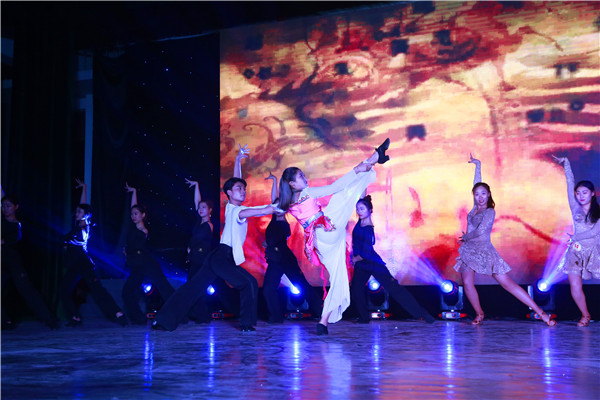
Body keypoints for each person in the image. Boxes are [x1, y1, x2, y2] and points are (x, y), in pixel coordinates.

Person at [152, 144, 278, 332]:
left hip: (218, 256)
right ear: (230, 193)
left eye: (244, 189)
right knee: (249, 283)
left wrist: (238, 160)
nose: (243, 191)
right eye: (239, 189)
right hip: (221, 257)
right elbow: (261, 209)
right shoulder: (237, 211)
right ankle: (247, 324)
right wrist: (277, 206)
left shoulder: (232, 207)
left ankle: (163, 320)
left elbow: (235, 182)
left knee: (193, 288)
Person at [278, 138, 390, 335]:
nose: (305, 178)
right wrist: (356, 170)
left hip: (319, 243)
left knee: (339, 278)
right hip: (326, 228)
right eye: (301, 176)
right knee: (342, 194)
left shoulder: (287, 203)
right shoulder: (306, 193)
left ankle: (323, 321)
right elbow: (334, 187)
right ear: (292, 183)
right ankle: (373, 159)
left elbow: (271, 206)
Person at [453, 154, 556, 326]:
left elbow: (480, 231)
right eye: (477, 194)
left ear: (488, 195)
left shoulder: (489, 212)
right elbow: (477, 184)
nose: (480, 197)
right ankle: (479, 313)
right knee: (467, 283)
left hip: (485, 251)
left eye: (483, 194)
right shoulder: (475, 208)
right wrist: (478, 165)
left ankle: (541, 313)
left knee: (507, 284)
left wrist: (465, 237)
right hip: (469, 252)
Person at [350, 194, 436, 324]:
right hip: (362, 265)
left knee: (394, 289)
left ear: (370, 211)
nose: (359, 211)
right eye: (357, 209)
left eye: (362, 209)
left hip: (372, 263)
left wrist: (355, 259)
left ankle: (424, 315)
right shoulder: (360, 221)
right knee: (356, 290)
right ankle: (364, 318)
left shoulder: (368, 228)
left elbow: (366, 252)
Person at [60, 179, 128, 327]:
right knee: (64, 290)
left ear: (86, 215)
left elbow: (85, 213)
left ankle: (118, 313)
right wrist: (84, 188)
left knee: (97, 290)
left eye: (79, 212)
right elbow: (84, 206)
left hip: (83, 263)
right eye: (76, 211)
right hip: (73, 263)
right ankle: (75, 317)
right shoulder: (78, 223)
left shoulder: (85, 226)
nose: (76, 213)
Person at [262, 171, 322, 323]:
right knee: (269, 289)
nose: (276, 207)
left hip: (284, 259)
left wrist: (268, 243)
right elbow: (274, 199)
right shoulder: (274, 218)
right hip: (276, 261)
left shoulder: (283, 223)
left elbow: (276, 240)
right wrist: (275, 180)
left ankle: (321, 312)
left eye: (279, 206)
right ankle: (276, 317)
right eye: (275, 206)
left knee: (301, 285)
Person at [1, 190, 59, 330]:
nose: (5, 208)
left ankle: (49, 319)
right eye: (3, 206)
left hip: (13, 262)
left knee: (27, 290)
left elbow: (13, 240)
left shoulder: (17, 225)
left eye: (8, 206)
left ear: (16, 207)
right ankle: (4, 322)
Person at [552, 155, 599, 327]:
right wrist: (567, 164)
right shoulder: (575, 207)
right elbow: (569, 183)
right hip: (575, 252)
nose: (580, 196)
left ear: (592, 193)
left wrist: (574, 238)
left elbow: (594, 232)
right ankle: (585, 315)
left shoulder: (598, 212)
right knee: (575, 285)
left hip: (594, 251)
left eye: (584, 192)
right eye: (578, 193)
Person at [121, 183, 175, 324]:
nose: (133, 216)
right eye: (132, 214)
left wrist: (127, 250)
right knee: (127, 292)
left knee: (164, 287)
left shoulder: (143, 230)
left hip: (146, 263)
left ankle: (180, 313)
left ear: (143, 215)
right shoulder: (134, 227)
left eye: (136, 214)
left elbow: (135, 247)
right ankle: (139, 318)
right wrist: (134, 191)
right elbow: (134, 207)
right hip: (137, 265)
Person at [183, 178, 234, 322]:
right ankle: (200, 314)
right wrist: (196, 186)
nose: (200, 209)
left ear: (210, 210)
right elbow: (197, 202)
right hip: (194, 258)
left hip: (201, 259)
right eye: (200, 208)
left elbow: (200, 242)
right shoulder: (199, 222)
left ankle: (202, 315)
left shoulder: (208, 225)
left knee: (195, 286)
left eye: (204, 208)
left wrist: (191, 247)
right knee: (193, 287)